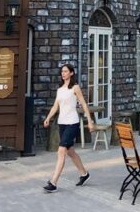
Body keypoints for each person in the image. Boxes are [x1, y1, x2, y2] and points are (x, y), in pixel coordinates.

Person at [42, 63, 95, 193]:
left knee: (61, 151)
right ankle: (84, 174)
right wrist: (48, 118)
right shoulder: (60, 89)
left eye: (65, 71)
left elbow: (83, 104)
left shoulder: (75, 88)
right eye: (62, 71)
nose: (63, 73)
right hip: (62, 123)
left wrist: (90, 121)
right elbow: (56, 106)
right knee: (70, 151)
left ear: (71, 73)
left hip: (72, 123)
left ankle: (53, 182)